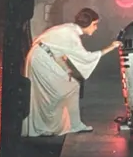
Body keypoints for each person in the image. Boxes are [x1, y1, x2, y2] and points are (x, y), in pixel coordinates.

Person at [23, 8, 121, 136]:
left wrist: (66, 70)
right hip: (41, 59)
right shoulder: (72, 35)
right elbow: (87, 57)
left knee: (66, 88)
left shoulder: (70, 29)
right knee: (53, 93)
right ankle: (54, 126)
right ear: (87, 23)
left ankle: (67, 125)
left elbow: (59, 51)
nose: (96, 28)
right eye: (94, 24)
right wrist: (111, 47)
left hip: (43, 57)